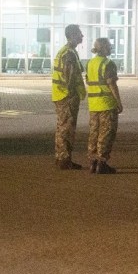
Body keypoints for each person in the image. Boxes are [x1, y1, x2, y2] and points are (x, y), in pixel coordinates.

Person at [86, 37, 123, 174]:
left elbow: (89, 81)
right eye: (109, 46)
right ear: (103, 48)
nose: (111, 48)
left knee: (94, 134)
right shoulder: (108, 64)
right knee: (106, 134)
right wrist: (118, 102)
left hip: (93, 104)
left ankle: (93, 161)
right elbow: (112, 84)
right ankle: (102, 162)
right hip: (106, 104)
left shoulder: (90, 63)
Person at [52, 24, 86, 169]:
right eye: (79, 34)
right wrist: (71, 91)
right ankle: (65, 160)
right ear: (72, 35)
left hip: (61, 94)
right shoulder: (69, 53)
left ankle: (61, 157)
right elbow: (69, 74)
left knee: (62, 127)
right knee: (66, 128)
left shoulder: (65, 51)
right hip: (67, 96)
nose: (82, 36)